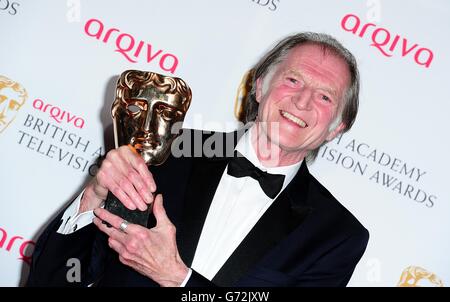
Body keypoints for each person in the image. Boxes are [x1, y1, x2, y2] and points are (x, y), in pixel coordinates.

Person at [27, 32, 369, 287]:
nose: (303, 102)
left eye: (325, 96)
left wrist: (179, 279)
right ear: (261, 86)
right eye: (293, 80)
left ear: (337, 126)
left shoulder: (337, 235)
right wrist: (94, 197)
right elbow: (53, 277)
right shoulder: (165, 151)